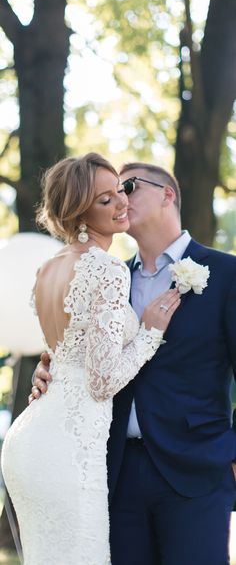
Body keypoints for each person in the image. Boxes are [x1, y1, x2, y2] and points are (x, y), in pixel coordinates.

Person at [32, 161, 236, 565]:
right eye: (113, 192)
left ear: (167, 193)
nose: (121, 198)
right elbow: (78, 356)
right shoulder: (107, 276)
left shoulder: (228, 273)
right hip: (115, 473)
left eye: (129, 186)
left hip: (197, 471)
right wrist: (48, 373)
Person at [1, 154, 180, 565]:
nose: (121, 204)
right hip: (71, 447)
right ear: (80, 211)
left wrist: (49, 367)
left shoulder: (48, 268)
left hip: (30, 439)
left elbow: (63, 353)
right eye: (105, 200)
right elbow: (101, 382)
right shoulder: (107, 269)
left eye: (121, 190)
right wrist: (151, 332)